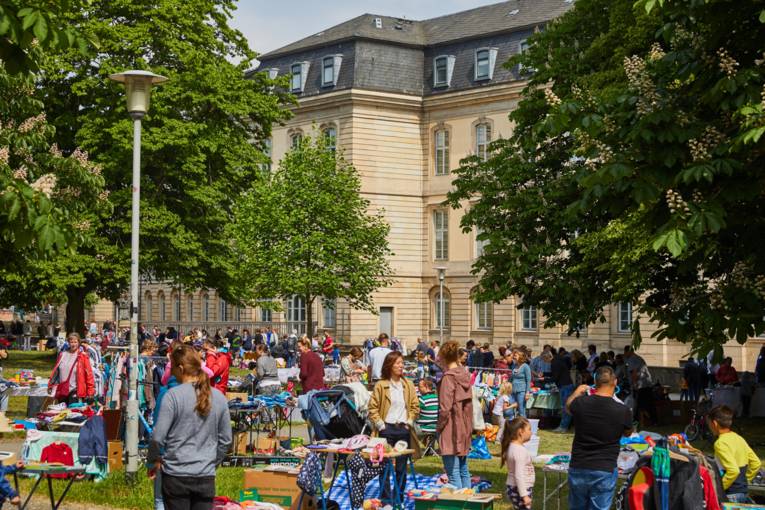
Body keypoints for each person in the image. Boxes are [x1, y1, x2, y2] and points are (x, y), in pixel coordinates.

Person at [148, 344, 232, 510]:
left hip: (176, 474)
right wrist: (211, 461)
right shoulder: (218, 397)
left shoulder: (172, 396)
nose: (170, 371)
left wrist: (154, 461)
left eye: (171, 367)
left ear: (180, 368)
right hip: (205, 476)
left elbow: (158, 437)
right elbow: (226, 440)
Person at [566, 366, 633, 510]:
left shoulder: (581, 403)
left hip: (579, 465)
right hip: (605, 467)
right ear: (615, 382)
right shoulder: (622, 410)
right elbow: (628, 433)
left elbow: (568, 407)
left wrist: (577, 392)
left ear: (594, 382)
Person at [368, 351, 420, 502]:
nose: (401, 366)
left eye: (402, 363)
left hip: (403, 429)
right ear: (390, 365)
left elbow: (415, 406)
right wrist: (381, 425)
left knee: (401, 467)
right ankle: (385, 498)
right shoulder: (381, 385)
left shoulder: (408, 385)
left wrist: (409, 422)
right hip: (386, 429)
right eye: (398, 363)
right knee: (384, 466)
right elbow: (372, 407)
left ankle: (399, 497)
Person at [436, 341, 473, 489]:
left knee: (453, 473)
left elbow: (445, 408)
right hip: (464, 426)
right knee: (463, 470)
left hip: (451, 427)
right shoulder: (464, 374)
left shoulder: (448, 378)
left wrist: (439, 427)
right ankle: (470, 502)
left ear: (444, 357)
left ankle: (458, 504)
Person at [708, 405, 762, 503]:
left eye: (709, 424)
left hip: (730, 494)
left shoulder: (720, 443)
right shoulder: (739, 438)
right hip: (743, 492)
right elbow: (756, 463)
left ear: (714, 423)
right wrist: (745, 480)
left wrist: (719, 488)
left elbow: (733, 470)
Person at [49, 333, 95, 404]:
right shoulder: (62, 354)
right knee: (61, 413)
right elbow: (56, 372)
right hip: (62, 390)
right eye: (71, 342)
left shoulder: (83, 356)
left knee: (73, 413)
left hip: (75, 390)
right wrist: (51, 384)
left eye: (75, 342)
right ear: (68, 343)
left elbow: (89, 375)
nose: (73, 344)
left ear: (79, 343)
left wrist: (91, 392)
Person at [501, 417, 534, 510]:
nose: (531, 432)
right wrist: (524, 495)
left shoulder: (513, 446)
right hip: (520, 488)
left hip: (515, 487)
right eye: (529, 429)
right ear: (520, 431)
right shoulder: (519, 451)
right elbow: (519, 475)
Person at [624, 346, 655, 425]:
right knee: (647, 404)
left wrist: (634, 385)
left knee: (641, 405)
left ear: (629, 351)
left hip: (640, 385)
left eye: (625, 352)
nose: (624, 354)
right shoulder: (639, 358)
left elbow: (634, 373)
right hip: (647, 384)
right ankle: (651, 421)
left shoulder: (632, 359)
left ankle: (645, 421)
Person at [550, 349, 574, 433]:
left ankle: (563, 427)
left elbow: (555, 377)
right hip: (566, 385)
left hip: (565, 386)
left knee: (565, 407)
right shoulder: (558, 360)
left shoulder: (555, 363)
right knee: (565, 407)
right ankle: (564, 426)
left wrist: (544, 379)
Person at [510, 350, 531, 418]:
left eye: (515, 356)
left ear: (520, 357)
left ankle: (524, 426)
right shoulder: (514, 366)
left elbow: (528, 380)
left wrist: (527, 393)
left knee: (521, 410)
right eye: (513, 356)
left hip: (521, 392)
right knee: (510, 409)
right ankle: (513, 426)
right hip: (512, 391)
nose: (513, 357)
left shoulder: (526, 366)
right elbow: (511, 378)